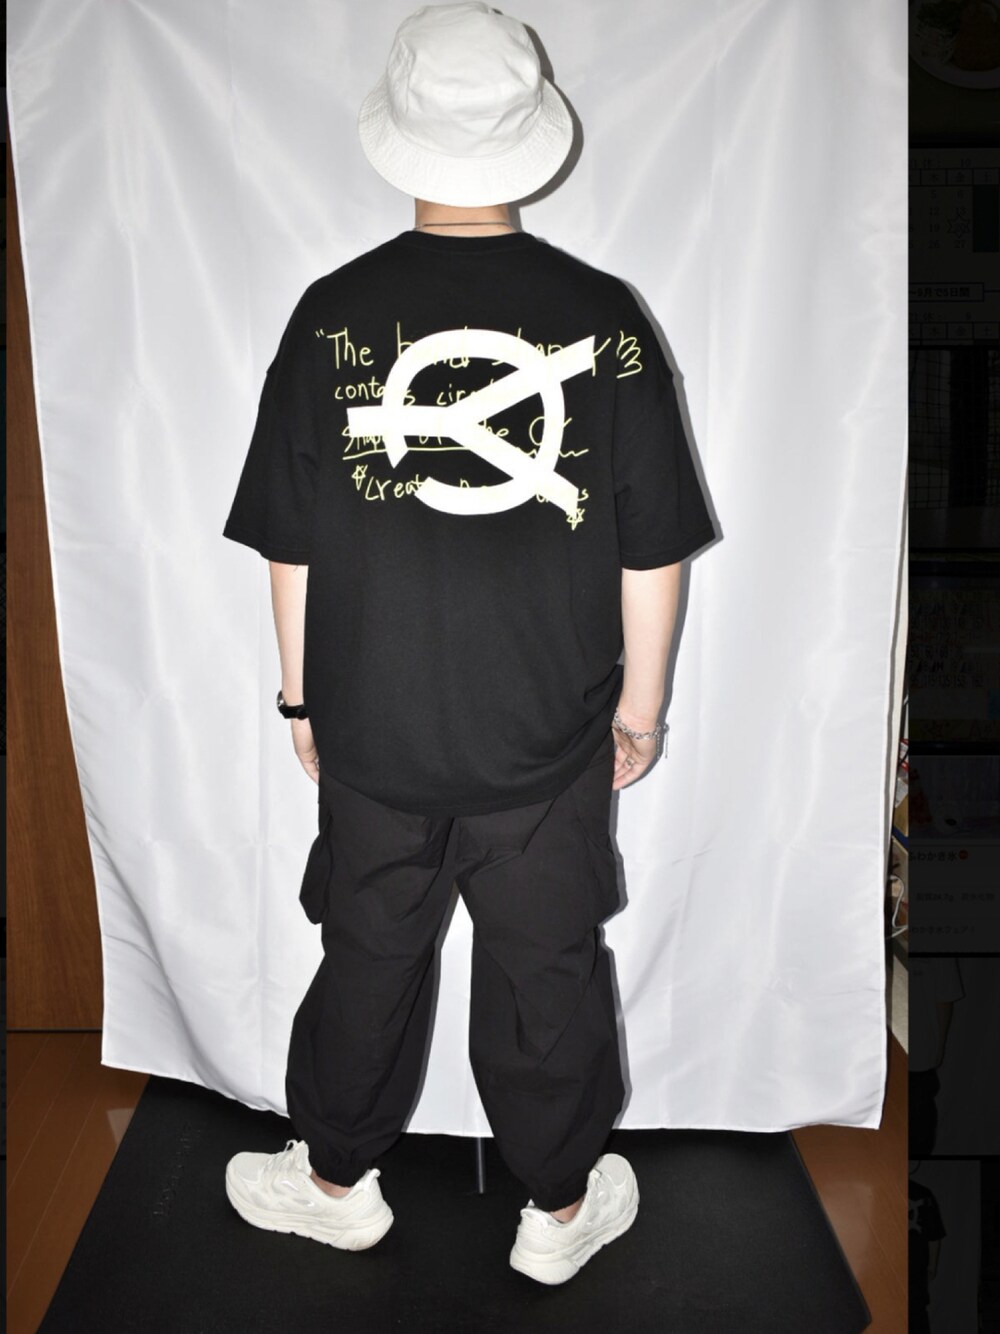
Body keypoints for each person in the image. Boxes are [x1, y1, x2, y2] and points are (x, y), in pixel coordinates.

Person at [221, 0, 715, 1285]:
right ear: (526, 137)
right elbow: (650, 551)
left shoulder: (330, 313)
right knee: (547, 965)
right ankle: (558, 1206)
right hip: (550, 734)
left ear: (398, 133)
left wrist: (300, 702)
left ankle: (332, 1181)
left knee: (367, 952)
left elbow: (291, 548)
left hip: (375, 727)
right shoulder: (604, 317)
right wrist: (640, 712)